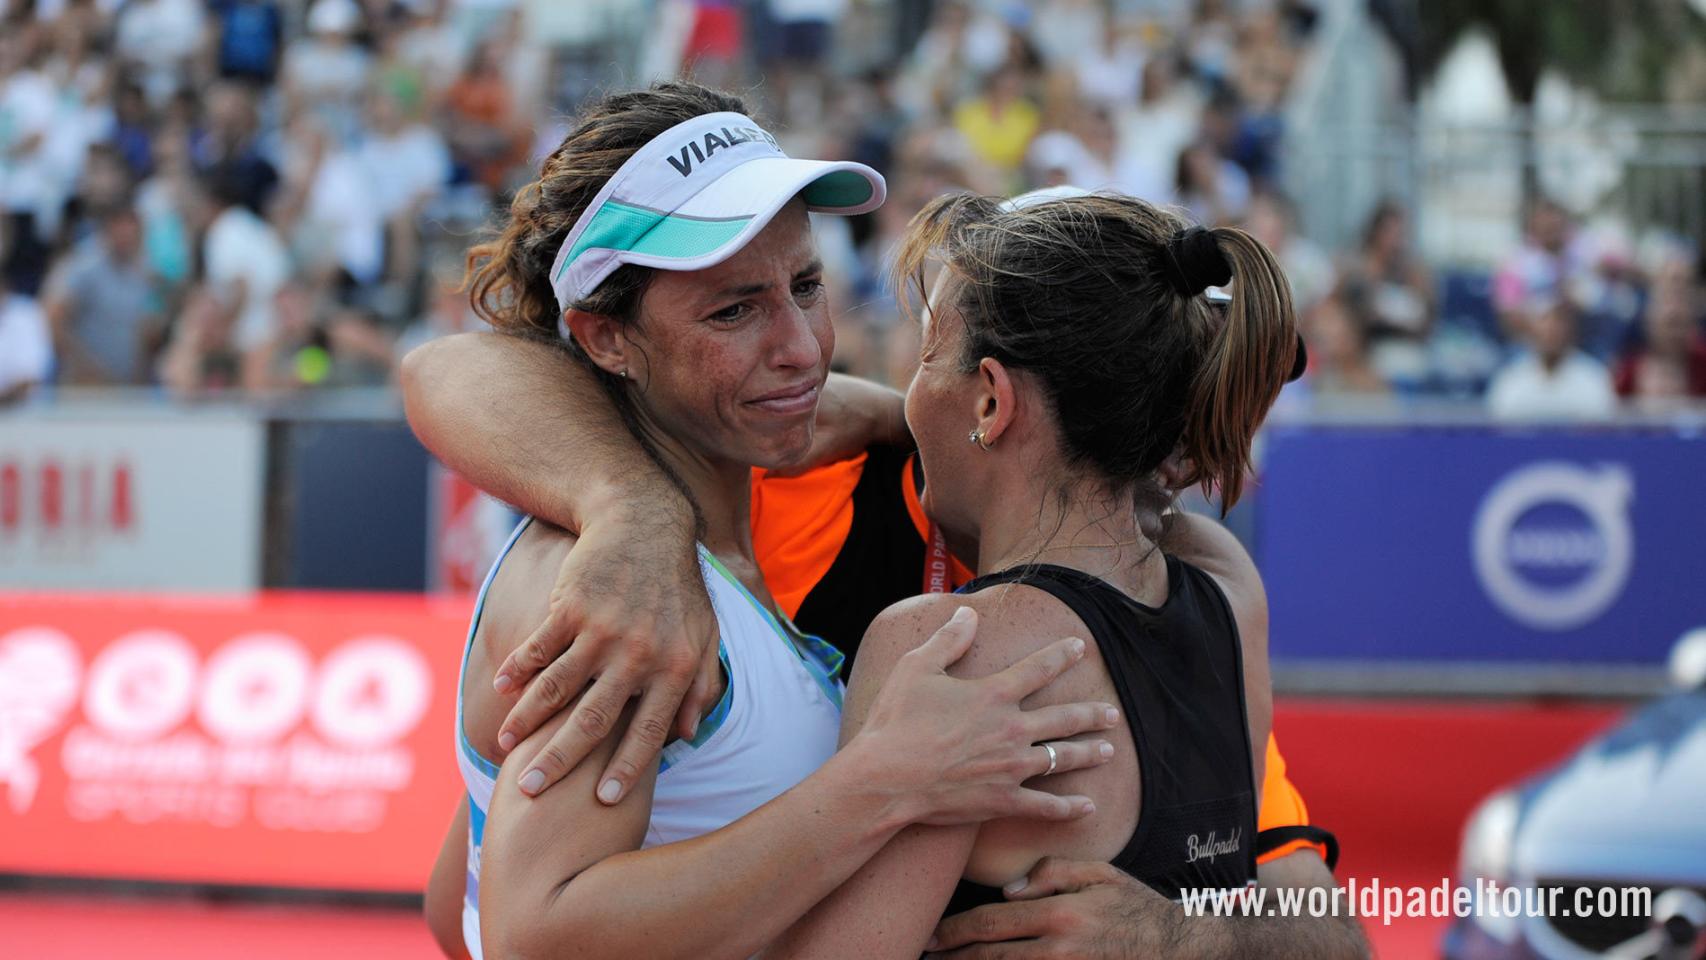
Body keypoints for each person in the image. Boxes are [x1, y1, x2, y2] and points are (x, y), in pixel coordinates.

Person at [407, 195, 1364, 958]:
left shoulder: (942, 641)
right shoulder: (1222, 580)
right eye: (739, 308)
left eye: (927, 354)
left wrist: (1175, 939)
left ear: (990, 395)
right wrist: (633, 505)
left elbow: (479, 915)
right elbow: (452, 374)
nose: (809, 355)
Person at [428, 82, 1120, 960]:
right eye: (733, 310)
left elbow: (454, 903)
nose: (799, 345)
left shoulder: (682, 542)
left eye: (806, 285)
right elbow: (536, 931)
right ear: (605, 338)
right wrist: (884, 782)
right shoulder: (616, 589)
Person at [1486, 295, 1616, 421]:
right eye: (1544, 321)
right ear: (1532, 330)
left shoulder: (1593, 379)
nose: (1551, 330)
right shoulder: (1510, 381)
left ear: (1571, 330)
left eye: (1559, 322)